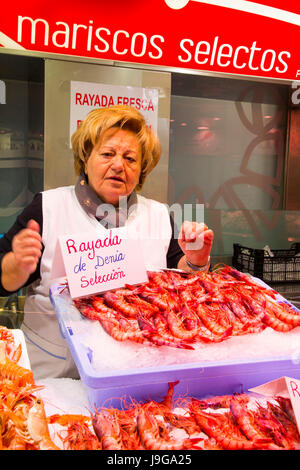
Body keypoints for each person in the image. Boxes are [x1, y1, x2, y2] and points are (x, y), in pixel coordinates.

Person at [0, 105, 214, 380]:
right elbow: (3, 281)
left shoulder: (159, 215)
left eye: (130, 158)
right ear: (85, 158)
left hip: (133, 377)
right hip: (53, 376)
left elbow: (183, 285)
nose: (118, 165)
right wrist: (15, 266)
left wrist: (196, 261)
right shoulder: (48, 207)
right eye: (107, 154)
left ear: (142, 169)